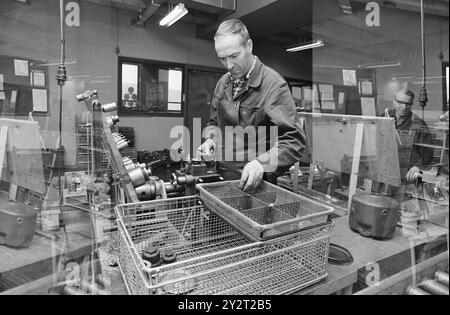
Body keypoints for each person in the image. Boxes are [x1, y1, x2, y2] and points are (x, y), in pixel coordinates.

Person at [198, 19, 306, 192]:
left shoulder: (273, 86)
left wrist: (261, 164)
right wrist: (210, 140)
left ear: (249, 46)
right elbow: (213, 123)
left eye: (234, 56)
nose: (229, 65)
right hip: (221, 182)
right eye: (222, 58)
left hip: (257, 187)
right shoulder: (223, 83)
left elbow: (294, 141)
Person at [384, 88, 434, 183]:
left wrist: (418, 166)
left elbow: (428, 152)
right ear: (394, 101)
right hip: (387, 171)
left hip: (407, 176)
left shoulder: (419, 124)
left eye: (408, 104)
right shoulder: (384, 117)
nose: (404, 107)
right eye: (400, 102)